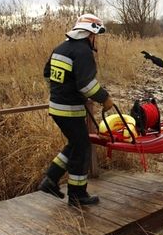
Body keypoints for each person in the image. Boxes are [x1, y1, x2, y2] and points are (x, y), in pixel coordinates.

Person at [39, 13, 114, 207]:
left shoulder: (60, 48)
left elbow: (48, 74)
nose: (95, 40)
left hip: (57, 107)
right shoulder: (83, 52)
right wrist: (105, 98)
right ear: (90, 34)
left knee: (75, 143)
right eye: (95, 36)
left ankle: (50, 179)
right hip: (69, 110)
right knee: (82, 147)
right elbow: (87, 85)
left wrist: (60, 91)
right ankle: (77, 195)